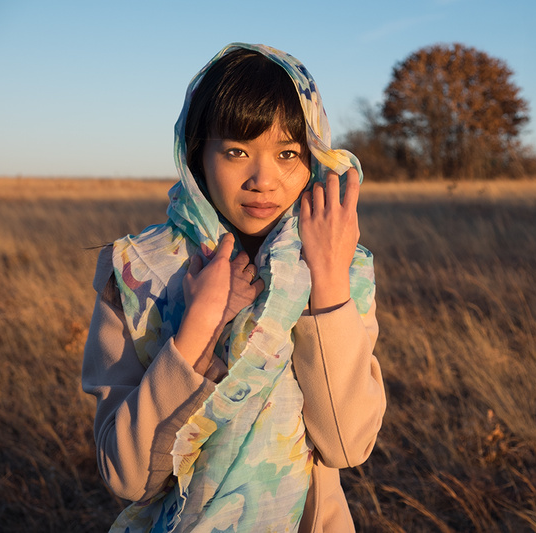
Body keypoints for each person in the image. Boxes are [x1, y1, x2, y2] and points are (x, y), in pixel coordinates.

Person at [81, 43, 385, 532]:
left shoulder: (343, 268)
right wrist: (197, 328)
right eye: (237, 151)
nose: (263, 180)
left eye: (288, 152)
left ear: (315, 157)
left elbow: (347, 444)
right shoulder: (140, 274)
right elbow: (128, 477)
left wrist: (326, 283)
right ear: (197, 152)